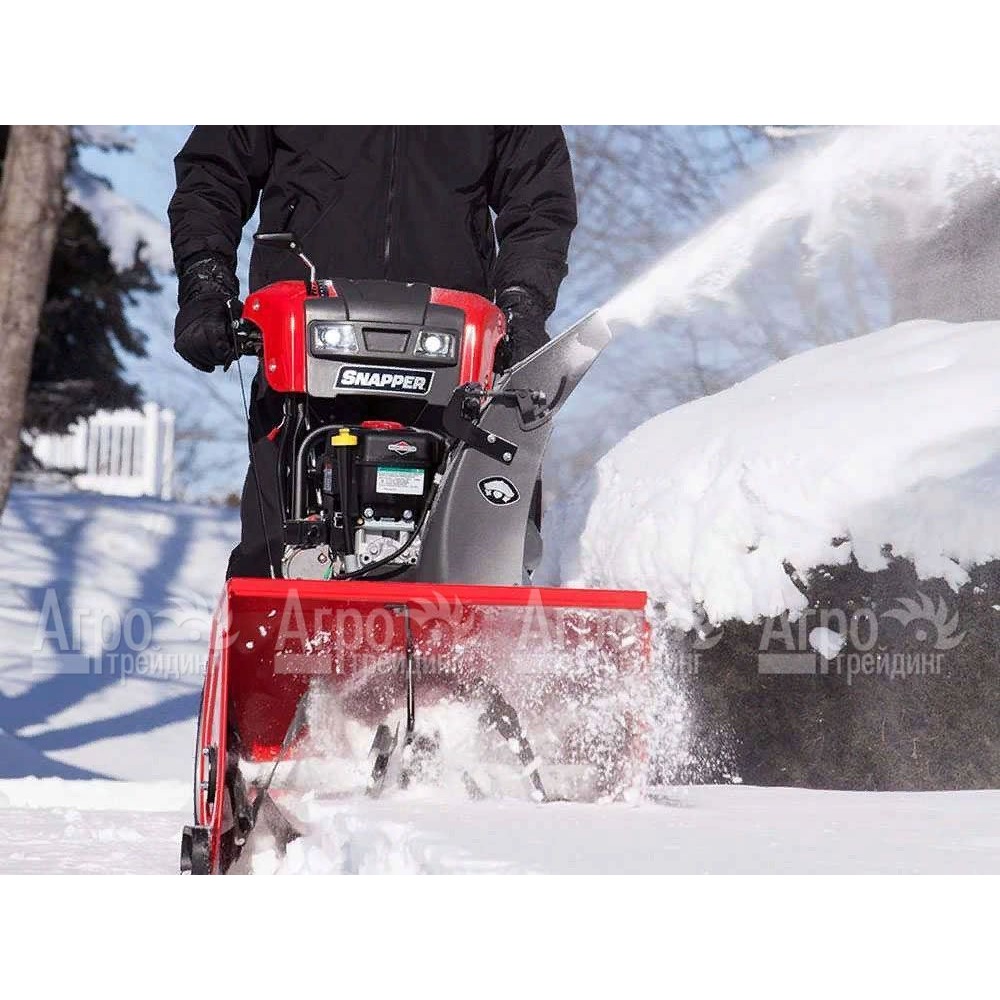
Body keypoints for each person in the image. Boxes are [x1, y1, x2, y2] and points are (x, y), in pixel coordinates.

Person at [167, 126, 577, 577]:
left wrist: (523, 305)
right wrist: (206, 285)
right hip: (304, 334)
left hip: (453, 338)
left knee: (487, 541)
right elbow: (213, 175)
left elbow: (538, 197)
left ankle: (494, 613)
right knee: (271, 550)